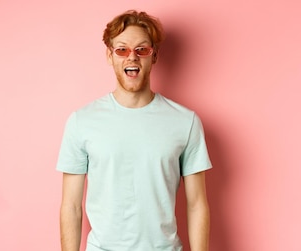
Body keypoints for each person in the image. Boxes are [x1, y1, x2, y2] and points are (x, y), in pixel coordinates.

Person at [57, 10, 211, 251]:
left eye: (142, 49)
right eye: (122, 49)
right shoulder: (82, 121)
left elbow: (197, 204)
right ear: (110, 56)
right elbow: (71, 206)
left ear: (154, 56)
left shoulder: (185, 122)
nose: (132, 57)